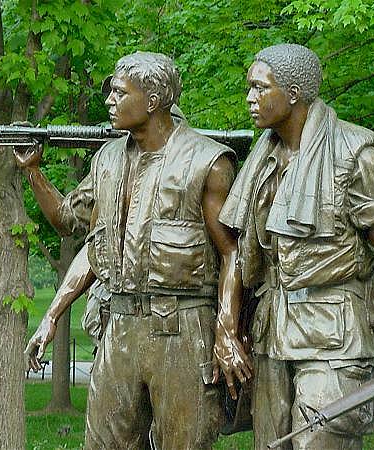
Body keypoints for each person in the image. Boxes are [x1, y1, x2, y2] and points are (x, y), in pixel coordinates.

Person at [17, 51, 251, 450]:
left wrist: (227, 331)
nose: (108, 100)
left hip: (182, 326)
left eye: (119, 93)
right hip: (120, 326)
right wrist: (52, 316)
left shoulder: (208, 162)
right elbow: (82, 237)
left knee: (185, 444)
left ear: (153, 100)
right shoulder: (107, 159)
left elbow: (232, 252)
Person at [217, 43, 374, 449]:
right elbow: (239, 249)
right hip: (272, 333)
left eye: (260, 88)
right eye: (249, 88)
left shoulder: (355, 152)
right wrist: (226, 327)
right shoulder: (264, 159)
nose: (249, 99)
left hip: (335, 336)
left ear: (292, 93)